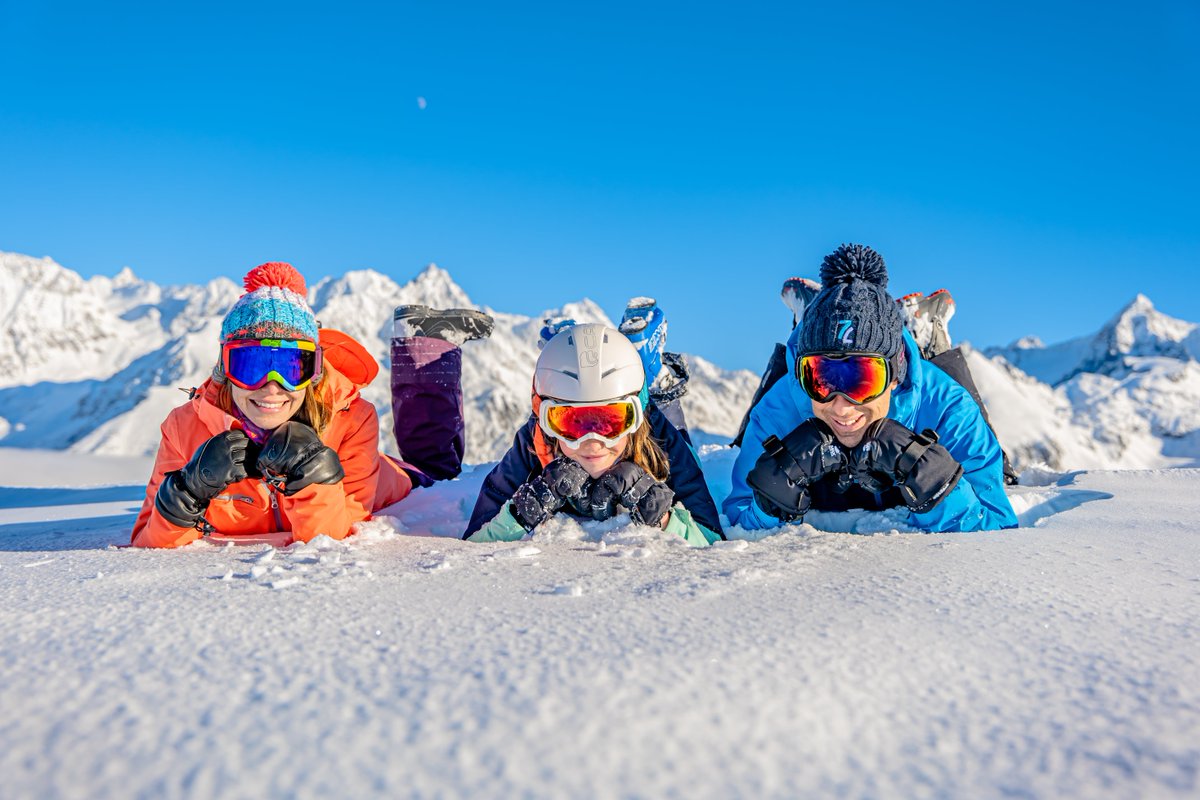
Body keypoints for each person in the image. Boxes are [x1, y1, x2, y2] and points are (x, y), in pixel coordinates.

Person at [130, 262, 485, 548]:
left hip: (391, 479)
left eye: (290, 367)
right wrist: (186, 493)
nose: (271, 387)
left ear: (313, 374)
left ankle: (427, 343)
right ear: (225, 370)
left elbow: (333, 539)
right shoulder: (183, 428)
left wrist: (317, 480)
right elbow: (147, 541)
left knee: (437, 473)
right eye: (250, 365)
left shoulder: (350, 419)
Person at [724, 244, 1017, 533]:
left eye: (864, 380)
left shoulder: (948, 408)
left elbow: (998, 526)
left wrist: (933, 481)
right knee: (778, 381)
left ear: (894, 375)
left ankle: (923, 335)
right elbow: (738, 518)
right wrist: (773, 496)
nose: (841, 406)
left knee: (1001, 467)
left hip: (918, 383)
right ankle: (812, 315)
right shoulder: (777, 413)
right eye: (820, 378)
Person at [459, 321, 723, 546]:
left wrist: (662, 517)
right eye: (572, 422)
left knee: (670, 416)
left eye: (611, 422)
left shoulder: (658, 439)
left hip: (652, 425)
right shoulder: (535, 443)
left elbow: (712, 543)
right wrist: (522, 512)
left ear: (635, 418)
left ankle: (649, 367)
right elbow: (472, 547)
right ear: (545, 420)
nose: (593, 442)